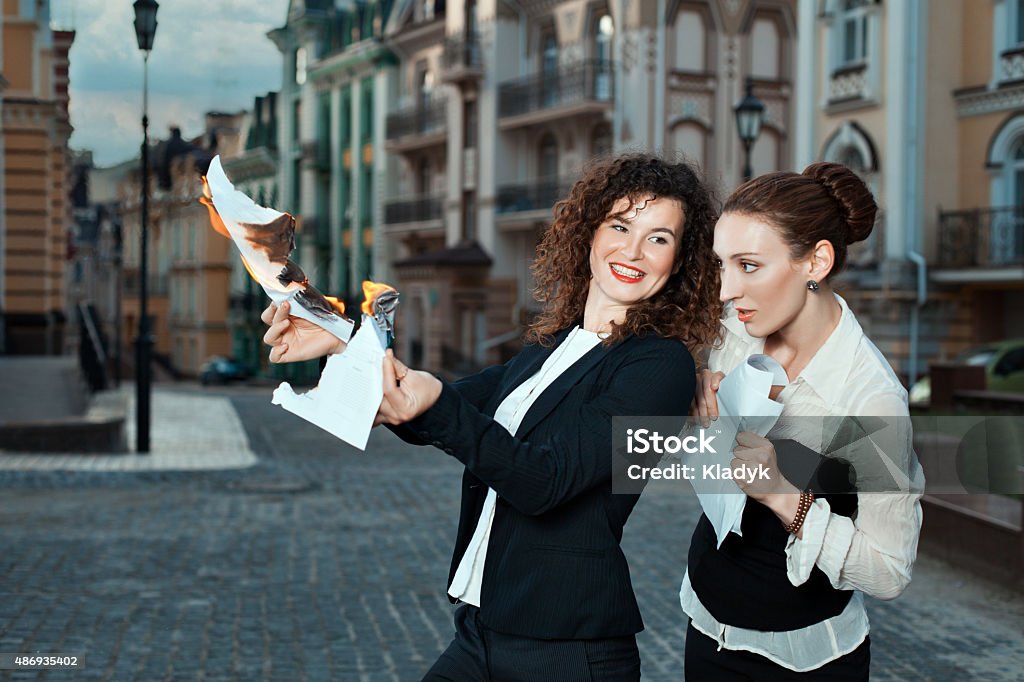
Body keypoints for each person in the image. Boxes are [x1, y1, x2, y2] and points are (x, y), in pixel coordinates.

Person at [261, 154, 722, 681]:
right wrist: (337, 339)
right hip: (483, 630)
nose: (633, 251)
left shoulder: (662, 367)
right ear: (591, 232)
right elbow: (426, 409)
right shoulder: (546, 350)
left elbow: (546, 481)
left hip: (570, 652)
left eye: (659, 238)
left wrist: (435, 405)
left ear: (680, 259)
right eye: (620, 225)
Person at [684, 162, 925, 680]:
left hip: (803, 662)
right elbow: (712, 463)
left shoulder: (871, 399)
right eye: (722, 265)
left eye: (748, 265)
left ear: (815, 261)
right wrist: (699, 392)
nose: (726, 290)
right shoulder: (735, 333)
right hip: (703, 630)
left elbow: (889, 571)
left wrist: (781, 495)